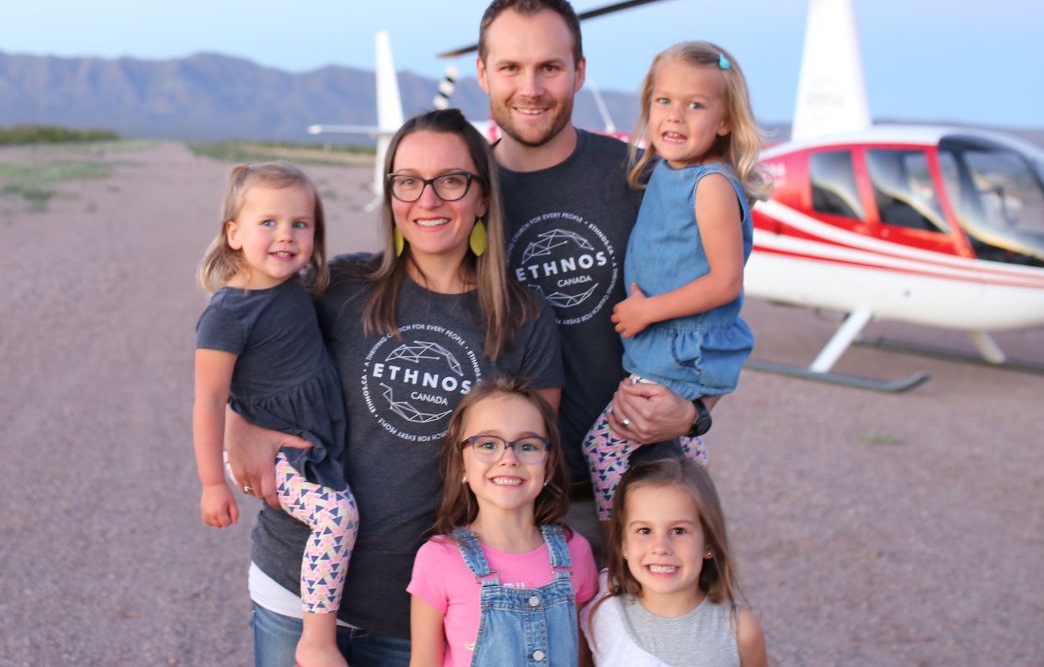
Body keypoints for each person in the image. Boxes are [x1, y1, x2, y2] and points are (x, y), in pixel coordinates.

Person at [224, 108, 565, 666]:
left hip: (425, 614)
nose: (426, 200)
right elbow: (241, 346)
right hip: (296, 588)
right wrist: (240, 424)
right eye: (407, 181)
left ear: (482, 197)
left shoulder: (523, 317)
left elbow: (534, 465)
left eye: (450, 181)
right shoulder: (340, 286)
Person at [474, 0, 709, 551]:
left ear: (579, 71)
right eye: (510, 68)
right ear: (483, 74)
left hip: (633, 490)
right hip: (493, 499)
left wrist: (693, 412)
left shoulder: (642, 180)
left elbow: (713, 310)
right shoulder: (458, 192)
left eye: (549, 67)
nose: (530, 89)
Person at [583, 42, 769, 522]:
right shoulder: (666, 171)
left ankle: (622, 551)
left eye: (696, 105)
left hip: (678, 349)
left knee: (606, 450)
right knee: (647, 455)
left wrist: (646, 311)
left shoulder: (709, 184)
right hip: (660, 346)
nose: (676, 116)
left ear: (725, 122)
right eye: (664, 100)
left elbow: (725, 282)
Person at [194, 162, 358, 667]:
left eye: (299, 224)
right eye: (268, 223)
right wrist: (212, 484)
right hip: (277, 445)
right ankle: (317, 638)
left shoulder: (296, 284)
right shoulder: (228, 314)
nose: (285, 236)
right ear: (234, 234)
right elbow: (207, 400)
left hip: (308, 432)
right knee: (337, 517)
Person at [408, 378, 597, 667]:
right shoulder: (437, 558)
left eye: (528, 446)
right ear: (461, 465)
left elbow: (581, 658)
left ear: (548, 465)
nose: (509, 458)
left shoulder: (576, 552)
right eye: (487, 444)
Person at [581, 459, 767, 667]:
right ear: (623, 543)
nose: (660, 547)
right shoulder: (604, 617)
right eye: (645, 531)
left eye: (679, 531)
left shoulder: (740, 630)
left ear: (709, 543)